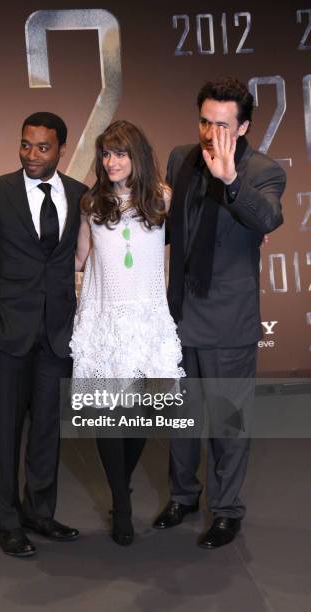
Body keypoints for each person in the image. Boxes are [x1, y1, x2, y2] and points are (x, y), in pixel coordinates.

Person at [153, 77, 286, 548]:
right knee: (182, 418)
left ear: (245, 125)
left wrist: (230, 181)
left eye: (223, 125)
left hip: (229, 320)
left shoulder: (263, 170)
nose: (211, 134)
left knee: (227, 422)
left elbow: (267, 218)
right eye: (205, 122)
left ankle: (227, 510)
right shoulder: (180, 158)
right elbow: (169, 227)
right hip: (179, 313)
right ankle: (182, 495)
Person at [0, 112, 88, 557]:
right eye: (25, 145)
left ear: (61, 150)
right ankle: (9, 522)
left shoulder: (79, 195)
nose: (31, 155)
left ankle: (40, 512)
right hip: (10, 332)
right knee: (7, 432)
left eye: (42, 148)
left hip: (57, 332)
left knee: (47, 431)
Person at [71, 120, 185, 546]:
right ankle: (121, 500)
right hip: (104, 321)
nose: (111, 162)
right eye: (105, 154)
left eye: (119, 154)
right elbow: (80, 260)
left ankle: (122, 487)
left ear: (136, 155)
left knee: (146, 411)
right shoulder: (91, 204)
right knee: (108, 416)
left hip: (148, 319)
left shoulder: (163, 198)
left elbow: (189, 240)